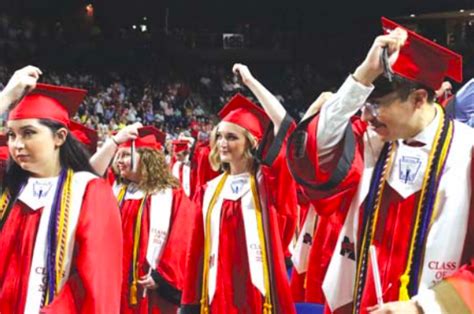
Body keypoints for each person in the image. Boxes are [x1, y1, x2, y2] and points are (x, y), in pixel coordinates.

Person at [287, 17, 472, 313]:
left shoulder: (469, 153)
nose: (364, 117)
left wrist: (424, 307)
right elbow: (312, 155)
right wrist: (361, 78)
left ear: (419, 99)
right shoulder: (369, 143)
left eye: (375, 106)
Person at [0, 66, 123, 313]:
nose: (17, 144)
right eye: (11, 135)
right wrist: (5, 98)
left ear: (60, 137)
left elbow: (97, 284)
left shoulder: (89, 192)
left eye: (28, 133)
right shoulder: (9, 187)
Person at [181, 64, 298, 313]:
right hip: (217, 293)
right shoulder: (208, 191)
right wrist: (189, 302)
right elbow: (195, 250)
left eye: (232, 137)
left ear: (251, 142)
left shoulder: (268, 184)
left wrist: (251, 82)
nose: (222, 143)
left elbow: (286, 126)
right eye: (220, 136)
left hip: (258, 294)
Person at [90, 124, 195, 313]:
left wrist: (163, 276)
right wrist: (114, 142)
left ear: (147, 158)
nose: (118, 161)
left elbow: (183, 239)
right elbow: (89, 173)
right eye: (118, 155)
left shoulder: (171, 196)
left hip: (147, 286)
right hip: (113, 279)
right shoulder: (116, 190)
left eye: (125, 155)